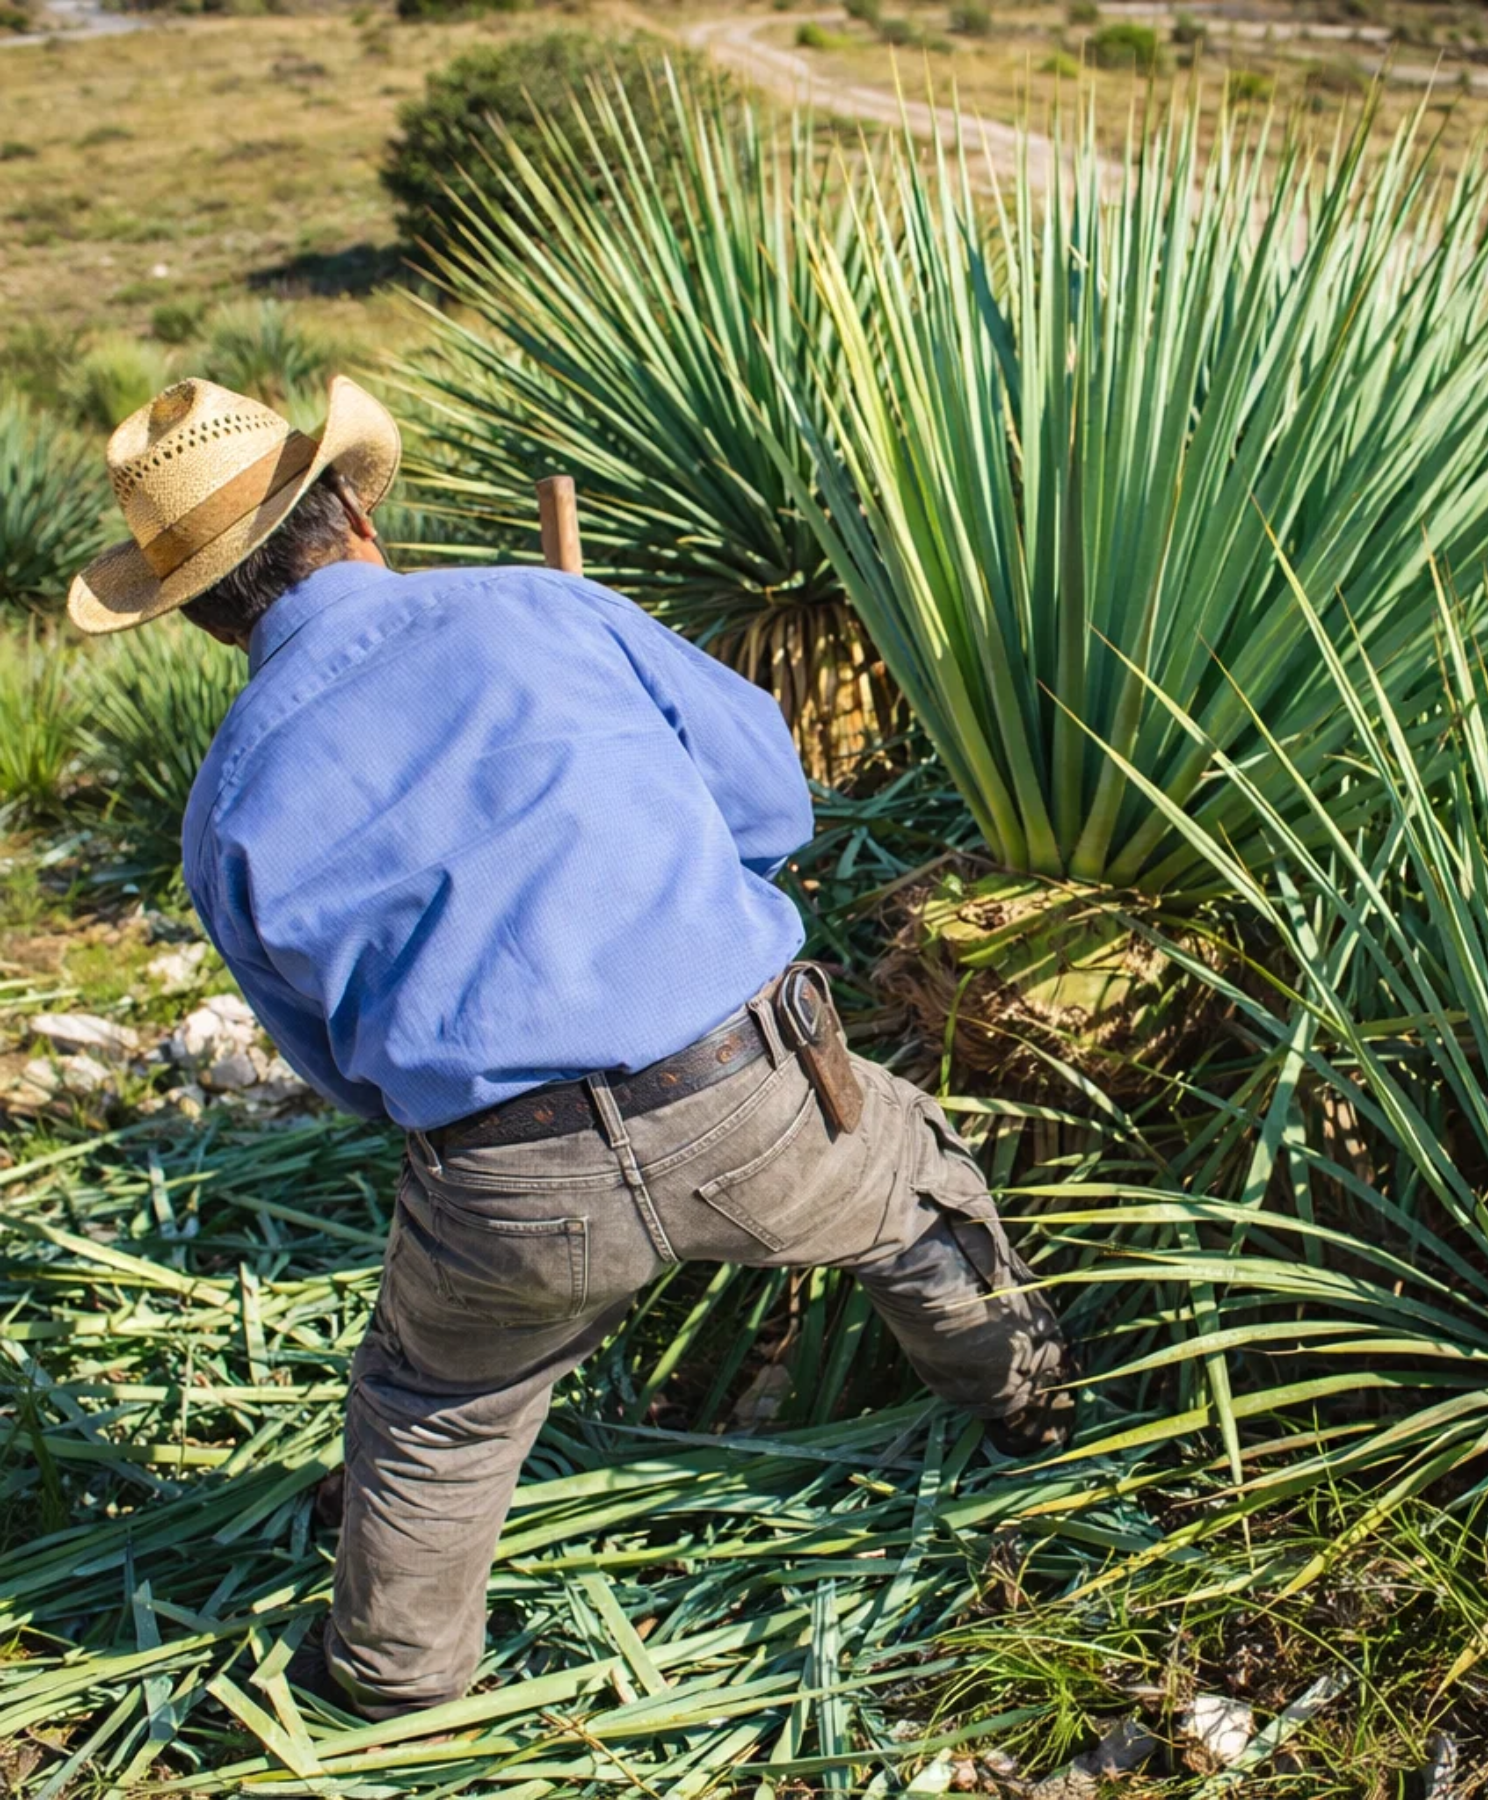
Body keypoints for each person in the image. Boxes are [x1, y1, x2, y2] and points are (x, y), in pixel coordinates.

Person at [68, 375, 1072, 1721]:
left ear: (199, 613)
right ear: (352, 506)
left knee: (432, 1411)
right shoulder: (537, 607)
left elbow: (335, 1066)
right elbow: (767, 795)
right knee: (914, 1196)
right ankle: (1032, 1418)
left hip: (503, 1189)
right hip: (751, 1094)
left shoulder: (228, 802)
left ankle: (392, 1686)